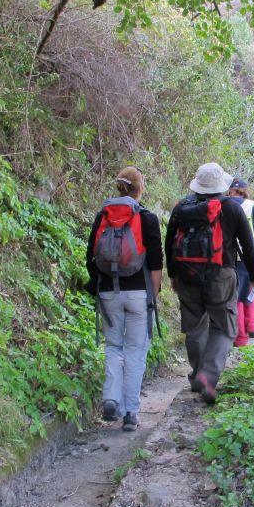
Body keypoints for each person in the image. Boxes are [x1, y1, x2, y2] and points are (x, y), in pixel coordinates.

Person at [166, 162, 254, 404]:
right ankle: (208, 377)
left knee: (194, 327)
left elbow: (169, 244)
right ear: (222, 185)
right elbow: (248, 247)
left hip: (187, 275)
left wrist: (173, 275)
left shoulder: (182, 207)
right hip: (221, 276)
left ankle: (198, 374)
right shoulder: (231, 208)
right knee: (224, 326)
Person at [85, 166, 163, 431]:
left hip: (108, 293)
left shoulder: (103, 215)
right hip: (139, 293)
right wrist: (153, 295)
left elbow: (90, 256)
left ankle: (111, 398)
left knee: (113, 347)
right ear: (141, 188)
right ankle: (130, 412)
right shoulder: (147, 218)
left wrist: (100, 285)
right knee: (135, 351)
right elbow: (156, 262)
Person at [227, 177, 254, 346]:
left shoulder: (223, 205)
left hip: (230, 257)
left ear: (230, 190)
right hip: (250, 256)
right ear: (245, 191)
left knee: (235, 296)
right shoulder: (253, 206)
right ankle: (252, 326)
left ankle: (240, 337)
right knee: (252, 287)